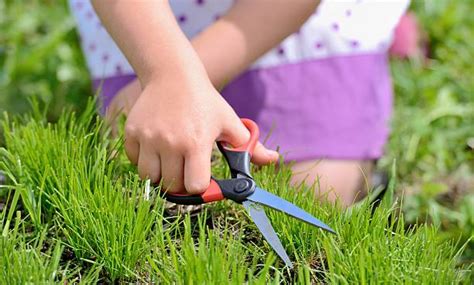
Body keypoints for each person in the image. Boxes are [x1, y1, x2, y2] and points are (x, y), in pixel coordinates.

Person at [70, 0, 409, 206]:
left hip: (293, 24)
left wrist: (189, 77)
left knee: (319, 192)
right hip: (159, 20)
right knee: (140, 174)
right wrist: (165, 75)